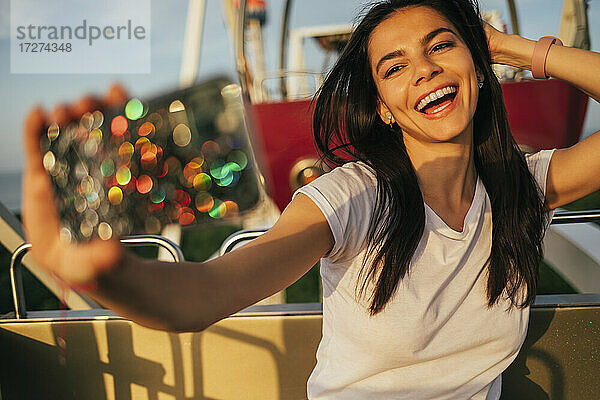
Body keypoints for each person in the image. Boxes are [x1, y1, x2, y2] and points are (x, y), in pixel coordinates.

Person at [21, 0, 600, 398]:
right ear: (381, 106)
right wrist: (105, 274)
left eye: (441, 46)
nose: (424, 70)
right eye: (394, 67)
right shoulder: (352, 197)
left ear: (476, 65)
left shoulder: (519, 187)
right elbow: (204, 293)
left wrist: (519, 49)